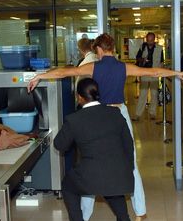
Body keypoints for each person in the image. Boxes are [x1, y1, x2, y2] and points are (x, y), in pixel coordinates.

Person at [28, 33, 183, 221]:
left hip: (100, 117)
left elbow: (65, 72)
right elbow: (153, 72)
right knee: (131, 161)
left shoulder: (94, 67)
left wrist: (41, 76)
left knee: (91, 162)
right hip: (120, 115)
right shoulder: (123, 67)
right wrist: (177, 73)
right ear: (112, 48)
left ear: (99, 49)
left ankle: (84, 215)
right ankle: (141, 211)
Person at [54, 78, 134, 221]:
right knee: (112, 188)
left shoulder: (74, 119)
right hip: (119, 172)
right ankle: (124, 218)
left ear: (79, 97)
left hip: (91, 175)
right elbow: (128, 143)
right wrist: (128, 168)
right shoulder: (115, 113)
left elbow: (59, 145)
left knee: (68, 186)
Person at [132, 32, 164, 121]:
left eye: (151, 40)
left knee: (154, 94)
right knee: (143, 94)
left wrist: (161, 74)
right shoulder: (142, 47)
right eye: (148, 40)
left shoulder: (159, 49)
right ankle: (138, 114)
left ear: (154, 40)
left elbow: (161, 62)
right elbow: (137, 58)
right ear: (146, 39)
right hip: (145, 73)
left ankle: (152, 113)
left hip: (154, 73)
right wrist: (143, 59)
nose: (150, 42)